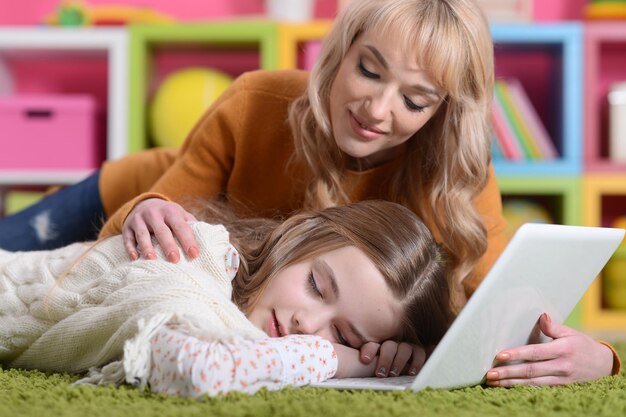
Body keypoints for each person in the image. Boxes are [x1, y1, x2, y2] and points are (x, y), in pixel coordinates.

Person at [0, 0, 620, 386]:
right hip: (124, 202)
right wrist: (147, 212)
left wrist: (597, 358)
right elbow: (153, 234)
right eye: (369, 70)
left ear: (443, 112)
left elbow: (496, 317)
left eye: (414, 100)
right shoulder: (258, 100)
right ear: (340, 53)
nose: (377, 110)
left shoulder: (453, 173)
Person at [0, 200, 454, 397]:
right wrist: (348, 360)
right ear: (298, 237)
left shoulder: (237, 312)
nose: (307, 325)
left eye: (343, 334)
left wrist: (400, 362)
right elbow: (198, 368)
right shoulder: (197, 255)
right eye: (316, 286)